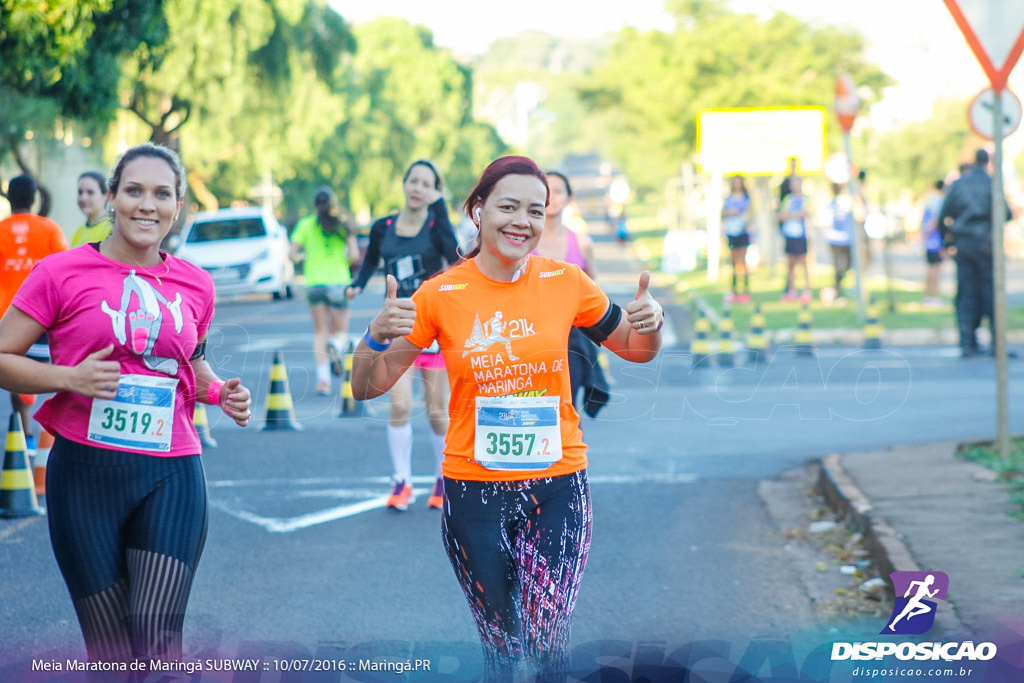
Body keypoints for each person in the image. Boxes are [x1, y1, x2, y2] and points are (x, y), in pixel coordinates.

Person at [351, 155, 664, 681]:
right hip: (473, 491)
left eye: (535, 210)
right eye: (509, 206)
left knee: (546, 639)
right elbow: (367, 385)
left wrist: (650, 322)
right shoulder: (440, 294)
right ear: (478, 210)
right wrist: (375, 334)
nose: (523, 220)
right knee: (501, 648)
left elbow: (636, 349)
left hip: (557, 484)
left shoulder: (567, 282)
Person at [0, 143, 252, 665]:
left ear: (177, 205)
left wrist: (217, 391)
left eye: (162, 194)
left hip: (171, 474)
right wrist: (68, 377)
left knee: (159, 652)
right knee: (112, 657)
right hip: (84, 477)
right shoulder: (59, 272)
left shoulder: (196, 285)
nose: (147, 205)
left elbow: (189, 366)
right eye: (134, 190)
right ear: (111, 199)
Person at [346, 159, 460, 511]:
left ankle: (443, 479)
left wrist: (440, 206)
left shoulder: (436, 225)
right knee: (399, 404)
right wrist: (357, 284)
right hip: (398, 328)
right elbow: (370, 262)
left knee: (436, 411)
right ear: (404, 183)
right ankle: (402, 482)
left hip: (434, 328)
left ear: (434, 191)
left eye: (427, 184)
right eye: (414, 181)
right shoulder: (384, 227)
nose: (418, 188)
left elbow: (457, 257)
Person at [0, 174, 70, 451]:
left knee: (16, 374)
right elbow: (66, 272)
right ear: (34, 198)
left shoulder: (1, 230)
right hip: (44, 318)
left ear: (9, 196)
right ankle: (51, 436)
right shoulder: (50, 229)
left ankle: (27, 434)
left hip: (8, 319)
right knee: (53, 374)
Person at [533, 171, 609, 417]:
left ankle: (571, 454)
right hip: (531, 337)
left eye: (558, 191)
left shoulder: (582, 243)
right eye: (546, 191)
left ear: (568, 197)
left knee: (566, 408)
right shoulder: (524, 241)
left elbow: (593, 290)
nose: (551, 197)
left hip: (572, 340)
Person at [938, 148, 1012, 357]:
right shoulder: (992, 184)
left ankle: (966, 341)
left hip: (964, 245)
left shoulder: (959, 184)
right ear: (987, 162)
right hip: (987, 245)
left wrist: (947, 241)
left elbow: (943, 215)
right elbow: (1006, 213)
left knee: (966, 292)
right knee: (990, 291)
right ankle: (996, 342)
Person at [290, 186, 360, 395]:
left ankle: (323, 381)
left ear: (314, 205)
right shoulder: (343, 225)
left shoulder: (305, 225)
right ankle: (336, 346)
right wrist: (342, 260)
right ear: (333, 204)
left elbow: (292, 254)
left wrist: (304, 259)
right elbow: (355, 255)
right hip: (339, 282)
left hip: (314, 283)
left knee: (320, 332)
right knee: (339, 332)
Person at [778, 175, 812, 302]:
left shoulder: (805, 199)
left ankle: (806, 290)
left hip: (801, 235)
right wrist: (795, 215)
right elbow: (782, 216)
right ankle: (792, 291)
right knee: (790, 264)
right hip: (790, 234)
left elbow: (806, 214)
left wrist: (793, 215)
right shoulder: (787, 200)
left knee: (803, 264)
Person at [822, 182, 854, 306]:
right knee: (838, 266)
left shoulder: (845, 203)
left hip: (846, 239)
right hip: (834, 239)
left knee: (846, 265)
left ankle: (837, 287)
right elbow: (826, 222)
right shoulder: (830, 205)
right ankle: (836, 290)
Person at [722, 174, 753, 304]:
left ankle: (745, 290)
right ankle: (734, 290)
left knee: (743, 260)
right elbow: (723, 213)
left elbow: (750, 214)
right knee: (734, 262)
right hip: (731, 232)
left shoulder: (746, 199)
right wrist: (731, 213)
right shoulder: (728, 199)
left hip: (742, 231)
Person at [921, 179, 946, 307]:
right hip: (935, 240)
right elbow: (935, 221)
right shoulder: (939, 201)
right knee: (935, 269)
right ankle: (933, 296)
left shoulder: (928, 200)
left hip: (928, 240)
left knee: (930, 268)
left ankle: (928, 295)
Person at [71, 171, 113, 247]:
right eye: (80, 192)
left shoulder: (112, 229)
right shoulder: (78, 233)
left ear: (106, 195)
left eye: (90, 192)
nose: (83, 198)